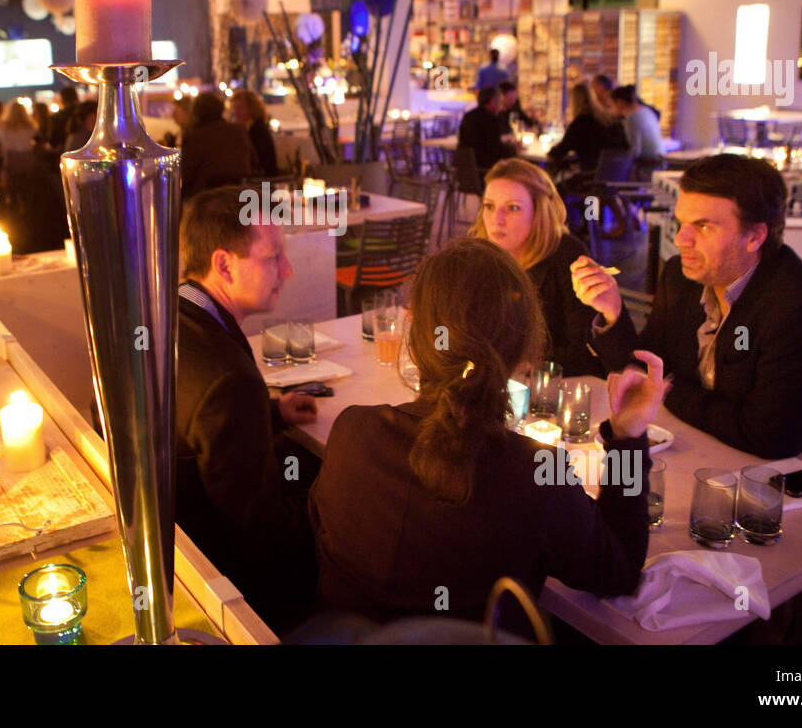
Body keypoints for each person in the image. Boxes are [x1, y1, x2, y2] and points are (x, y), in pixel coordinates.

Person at [309, 238, 664, 631]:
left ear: (414, 332)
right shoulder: (537, 474)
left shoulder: (352, 432)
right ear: (525, 346)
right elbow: (619, 571)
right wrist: (628, 437)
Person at [572, 154, 802, 465]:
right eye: (681, 223)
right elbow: (646, 369)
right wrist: (612, 311)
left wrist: (666, 390)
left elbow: (768, 438)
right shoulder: (681, 276)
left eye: (703, 226)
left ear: (755, 236)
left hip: (792, 483)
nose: (681, 239)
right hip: (706, 453)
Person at [176, 187, 321, 631]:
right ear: (223, 264)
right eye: (274, 256)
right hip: (222, 580)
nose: (289, 270)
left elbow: (200, 430)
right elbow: (260, 527)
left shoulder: (174, 309)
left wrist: (270, 414)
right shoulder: (227, 379)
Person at [471, 159, 626, 377]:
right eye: (489, 206)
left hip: (553, 391)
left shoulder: (567, 255)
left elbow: (584, 352)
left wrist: (518, 363)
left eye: (513, 208)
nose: (497, 219)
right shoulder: (480, 256)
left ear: (538, 213)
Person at [180, 91, 258, 199]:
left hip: (206, 198)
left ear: (196, 112)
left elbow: (186, 173)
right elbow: (253, 162)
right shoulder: (238, 130)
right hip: (240, 194)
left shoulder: (195, 135)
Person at [548, 83, 628, 173]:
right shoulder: (608, 119)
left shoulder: (580, 123)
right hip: (616, 175)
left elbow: (559, 151)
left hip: (592, 176)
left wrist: (550, 151)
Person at [610, 85, 663, 181]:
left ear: (620, 103)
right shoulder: (645, 111)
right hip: (658, 165)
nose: (611, 109)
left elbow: (635, 151)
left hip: (645, 170)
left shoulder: (632, 118)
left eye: (612, 105)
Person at [458, 87, 516, 172]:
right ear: (492, 101)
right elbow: (495, 149)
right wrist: (513, 149)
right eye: (500, 101)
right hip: (485, 169)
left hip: (465, 169)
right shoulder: (491, 119)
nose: (501, 105)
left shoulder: (469, 116)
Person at [229, 89, 279, 177]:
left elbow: (260, 160)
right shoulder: (247, 128)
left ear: (251, 108)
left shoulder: (258, 130)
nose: (236, 112)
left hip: (262, 181)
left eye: (240, 108)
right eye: (235, 108)